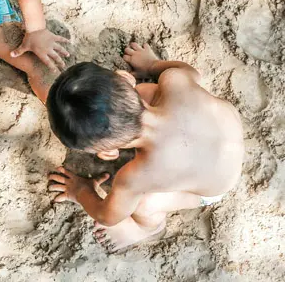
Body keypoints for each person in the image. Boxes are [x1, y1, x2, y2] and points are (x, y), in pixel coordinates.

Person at [46, 42, 243, 252]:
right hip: (227, 134)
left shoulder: (137, 176)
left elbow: (108, 216)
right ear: (124, 78)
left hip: (214, 189)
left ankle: (145, 228)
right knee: (148, 91)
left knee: (144, 205)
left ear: (107, 152)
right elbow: (191, 72)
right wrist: (152, 65)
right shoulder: (174, 79)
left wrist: (81, 191)